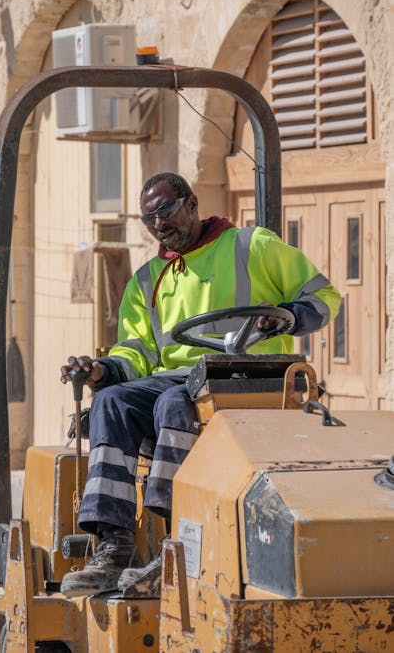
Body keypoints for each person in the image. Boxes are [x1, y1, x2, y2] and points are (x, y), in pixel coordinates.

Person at [60, 172, 340, 597]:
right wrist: (101, 370)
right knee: (112, 402)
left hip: (253, 378)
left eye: (165, 211)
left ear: (191, 204)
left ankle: (176, 544)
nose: (158, 223)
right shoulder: (146, 281)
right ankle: (115, 544)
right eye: (148, 217)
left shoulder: (251, 246)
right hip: (179, 378)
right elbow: (136, 353)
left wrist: (286, 315)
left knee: (174, 403)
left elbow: (323, 298)